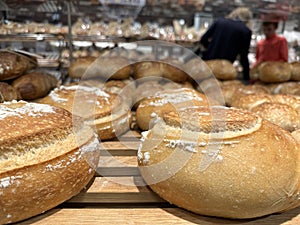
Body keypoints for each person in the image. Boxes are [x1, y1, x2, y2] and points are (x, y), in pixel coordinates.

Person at [199, 7, 253, 81]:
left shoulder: (219, 22)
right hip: (225, 68)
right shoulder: (246, 31)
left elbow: (203, 39)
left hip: (209, 64)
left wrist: (210, 48)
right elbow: (243, 57)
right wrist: (246, 78)